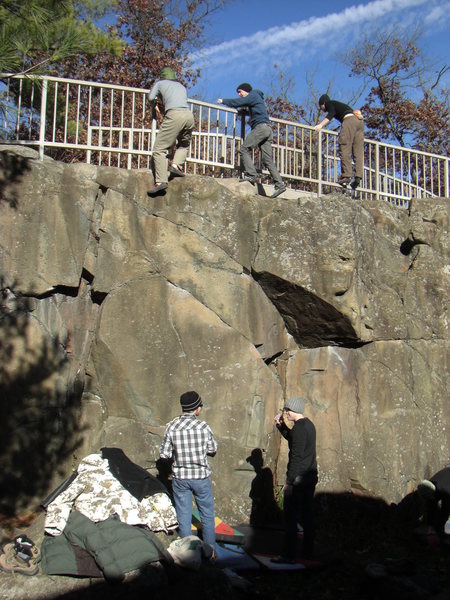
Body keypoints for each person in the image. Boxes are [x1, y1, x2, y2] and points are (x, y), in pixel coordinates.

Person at [159, 391, 218, 555]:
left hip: (180, 478)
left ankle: (188, 553)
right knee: (206, 514)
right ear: (196, 409)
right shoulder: (203, 426)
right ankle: (210, 551)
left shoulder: (172, 426)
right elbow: (213, 449)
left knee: (183, 514)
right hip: (200, 476)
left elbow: (164, 454)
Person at [217, 83, 286, 198]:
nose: (240, 94)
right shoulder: (256, 99)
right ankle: (280, 185)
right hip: (267, 129)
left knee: (243, 149)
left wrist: (223, 101)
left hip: (261, 128)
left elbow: (238, 103)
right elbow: (254, 110)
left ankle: (252, 175)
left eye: (240, 92)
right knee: (266, 159)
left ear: (246, 91)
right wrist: (245, 113)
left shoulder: (253, 95)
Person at [271, 396, 318, 563]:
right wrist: (281, 426)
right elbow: (295, 441)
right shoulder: (308, 425)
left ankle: (288, 555)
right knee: (307, 515)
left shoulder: (299, 429)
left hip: (298, 479)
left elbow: (296, 456)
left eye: (286, 411)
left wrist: (289, 483)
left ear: (292, 410)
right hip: (310, 477)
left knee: (290, 518)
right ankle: (308, 552)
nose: (285, 413)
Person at [147, 67, 195, 196]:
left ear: (162, 76)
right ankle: (176, 166)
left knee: (159, 149)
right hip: (189, 115)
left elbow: (151, 97)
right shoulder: (181, 86)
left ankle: (161, 181)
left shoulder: (160, 83)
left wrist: (155, 103)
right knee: (184, 144)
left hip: (174, 115)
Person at [314, 94, 364, 189]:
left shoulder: (329, 103)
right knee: (358, 151)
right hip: (359, 122)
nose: (322, 109)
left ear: (323, 103)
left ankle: (346, 175)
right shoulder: (340, 105)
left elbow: (330, 114)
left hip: (349, 121)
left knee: (344, 147)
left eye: (321, 107)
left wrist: (320, 125)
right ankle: (358, 176)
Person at [417, 467, 450, 540]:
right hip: (442, 483)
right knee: (432, 506)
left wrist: (440, 532)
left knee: (445, 511)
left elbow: (445, 510)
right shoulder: (428, 485)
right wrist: (431, 527)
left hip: (446, 487)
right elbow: (430, 506)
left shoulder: (445, 489)